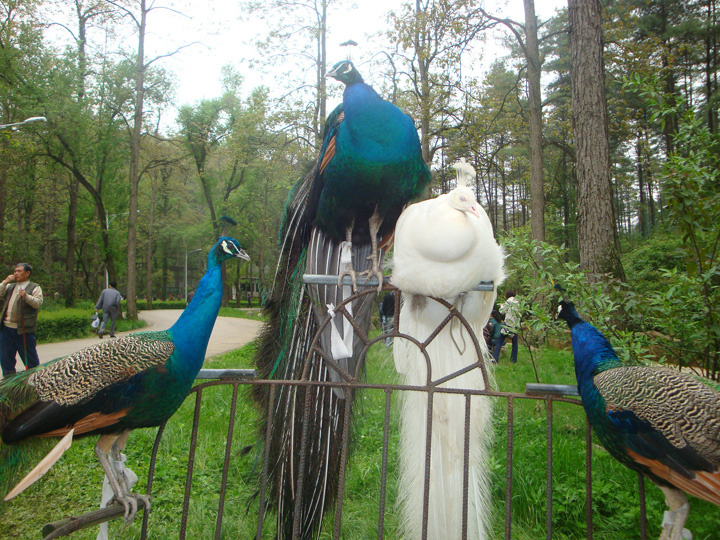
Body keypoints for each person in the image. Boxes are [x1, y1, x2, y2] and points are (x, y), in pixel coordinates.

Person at [0, 263, 44, 376]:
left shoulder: (34, 287)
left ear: (27, 273)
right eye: (15, 271)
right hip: (6, 329)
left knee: (30, 360)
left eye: (19, 271)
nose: (16, 273)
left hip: (24, 330)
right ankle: (9, 385)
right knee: (5, 359)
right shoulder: (10, 286)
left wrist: (26, 297)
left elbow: (37, 303)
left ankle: (33, 384)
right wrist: (5, 281)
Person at [495, 290, 520, 363]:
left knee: (499, 341)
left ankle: (495, 358)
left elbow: (502, 311)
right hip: (514, 324)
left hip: (508, 323)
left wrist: (501, 306)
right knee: (515, 344)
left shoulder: (508, 301)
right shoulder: (517, 302)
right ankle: (514, 360)